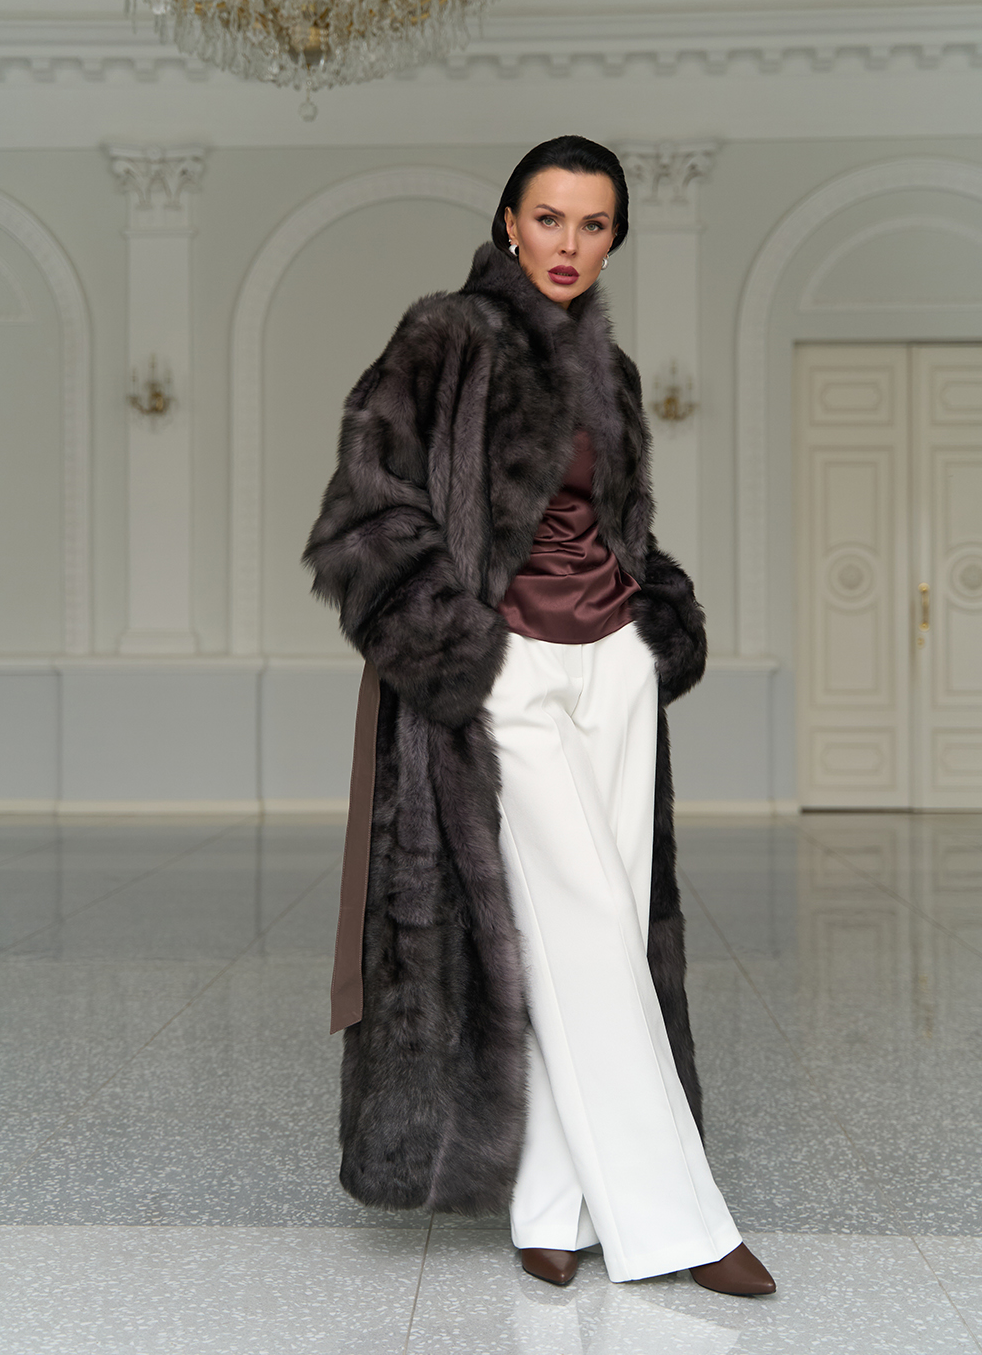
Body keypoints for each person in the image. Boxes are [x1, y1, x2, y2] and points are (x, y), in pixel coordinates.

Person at [303, 135, 776, 1295]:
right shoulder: (443, 338)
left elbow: (618, 530)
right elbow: (362, 522)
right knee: (584, 926)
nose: (568, 243)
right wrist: (466, 650)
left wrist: (657, 620)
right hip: (502, 666)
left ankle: (550, 1202)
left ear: (614, 237)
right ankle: (681, 1226)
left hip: (612, 666)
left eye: (592, 223)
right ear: (509, 223)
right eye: (549, 218)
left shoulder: (610, 371)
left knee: (591, 929)